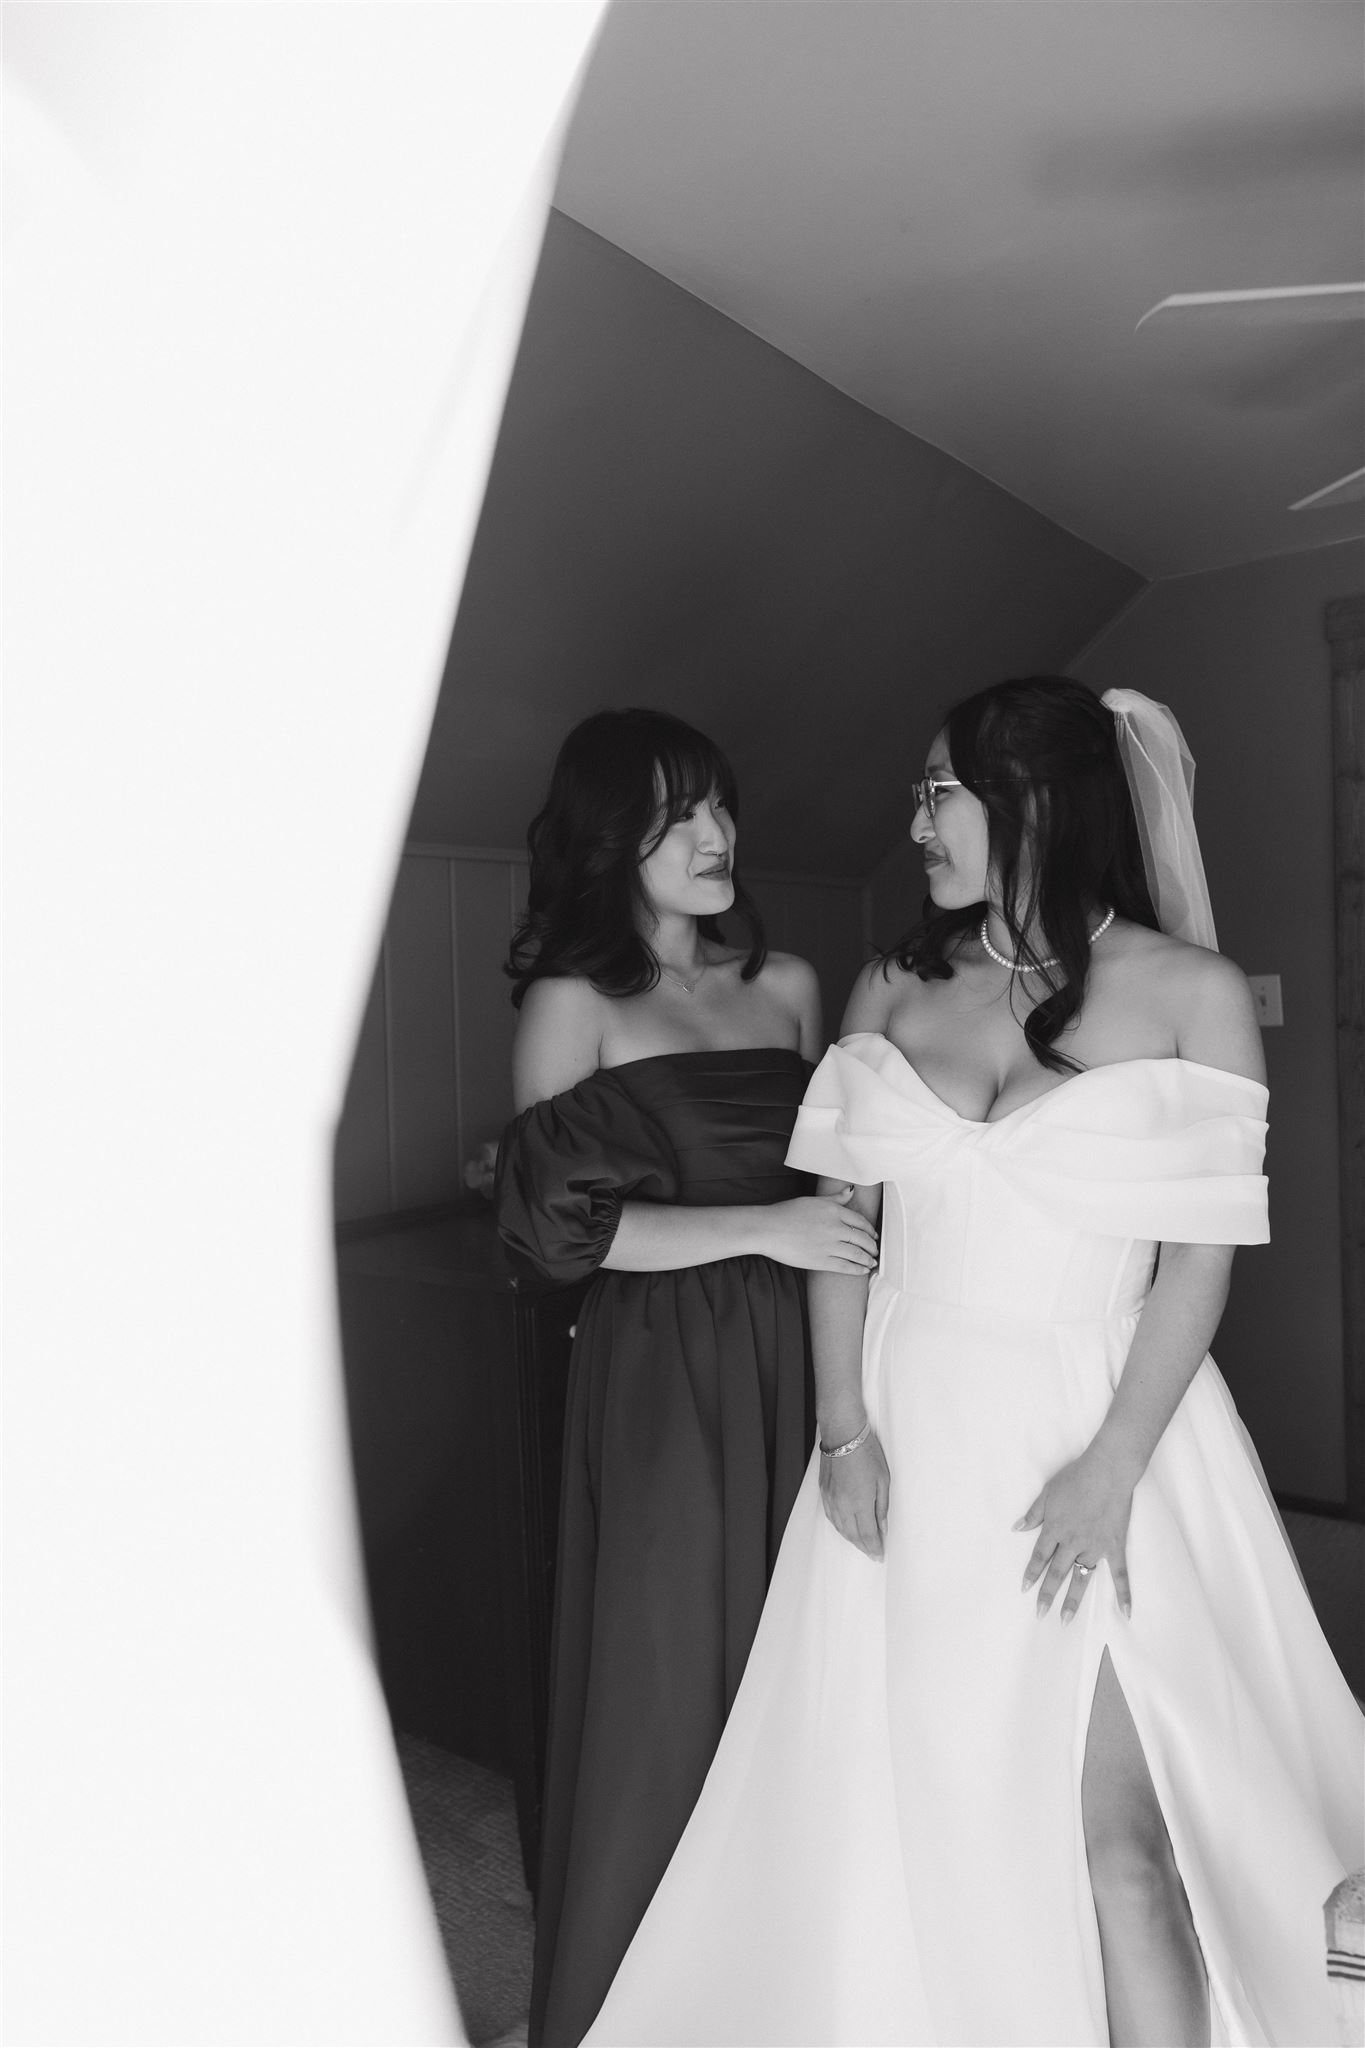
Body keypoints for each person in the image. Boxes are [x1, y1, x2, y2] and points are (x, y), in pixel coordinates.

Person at [583, 677, 1365, 2048]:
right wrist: (840, 1430)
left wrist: (1110, 1467)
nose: (915, 819)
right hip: (909, 1424)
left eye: (936, 790)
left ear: (1035, 802)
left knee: (1129, 1844)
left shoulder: (1185, 993)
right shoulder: (896, 978)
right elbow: (847, 1222)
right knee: (913, 1801)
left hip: (1104, 1432)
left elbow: (1198, 1259)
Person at [495, 707, 880, 2048]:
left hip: (808, 1348)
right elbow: (551, 1238)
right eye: (676, 819)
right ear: (613, 841)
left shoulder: (786, 981)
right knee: (668, 1666)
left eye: (718, 806)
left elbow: (837, 1175)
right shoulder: (573, 1002)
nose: (715, 837)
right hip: (659, 1368)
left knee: (811, 1648)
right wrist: (763, 1230)